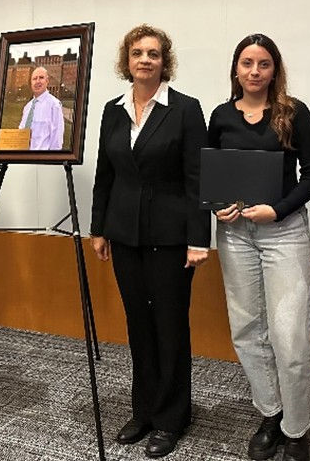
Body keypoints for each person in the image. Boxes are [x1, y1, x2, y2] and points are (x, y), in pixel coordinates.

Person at [90, 24, 210, 458]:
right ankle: (143, 411)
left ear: (165, 62)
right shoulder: (113, 110)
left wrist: (199, 238)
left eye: (154, 54)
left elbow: (198, 180)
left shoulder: (185, 110)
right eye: (138, 53)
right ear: (127, 61)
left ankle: (172, 417)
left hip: (172, 237)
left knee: (170, 327)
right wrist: (98, 228)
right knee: (137, 325)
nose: (145, 59)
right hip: (124, 236)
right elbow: (106, 173)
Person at [208, 34, 310, 461]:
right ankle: (270, 413)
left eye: (264, 64)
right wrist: (219, 205)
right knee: (247, 329)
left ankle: (296, 428)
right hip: (235, 235)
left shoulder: (294, 113)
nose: (255, 72)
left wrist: (276, 210)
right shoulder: (220, 116)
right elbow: (213, 173)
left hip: (284, 232)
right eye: (247, 63)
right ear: (235, 69)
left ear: (275, 70)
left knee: (290, 334)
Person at [17, 66, 65, 150]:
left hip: (42, 160)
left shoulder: (54, 105)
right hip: (23, 158)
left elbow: (57, 140)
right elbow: (21, 132)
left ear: (47, 81)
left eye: (41, 78)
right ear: (31, 82)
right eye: (34, 79)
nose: (37, 81)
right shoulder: (27, 107)